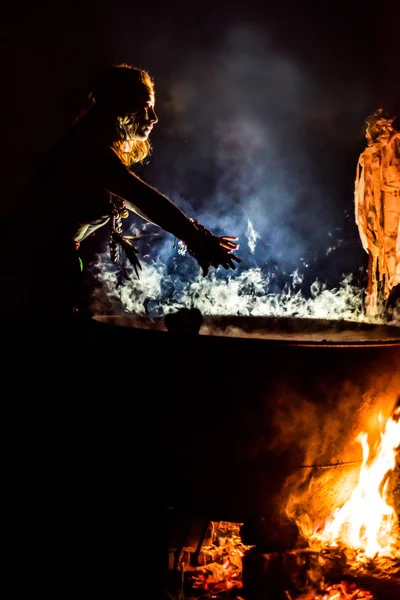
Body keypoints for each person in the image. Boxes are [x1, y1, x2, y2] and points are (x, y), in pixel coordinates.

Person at [6, 62, 240, 329]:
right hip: (30, 271)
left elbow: (137, 201)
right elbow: (141, 197)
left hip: (49, 267)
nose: (154, 117)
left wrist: (194, 234)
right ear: (121, 108)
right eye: (146, 107)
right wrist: (196, 237)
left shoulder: (98, 148)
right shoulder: (91, 148)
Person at [354, 108, 400, 318]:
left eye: (370, 128)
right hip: (376, 218)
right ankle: (380, 313)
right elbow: (362, 190)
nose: (367, 134)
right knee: (378, 260)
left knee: (394, 260)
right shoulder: (368, 155)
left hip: (394, 213)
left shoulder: (395, 145)